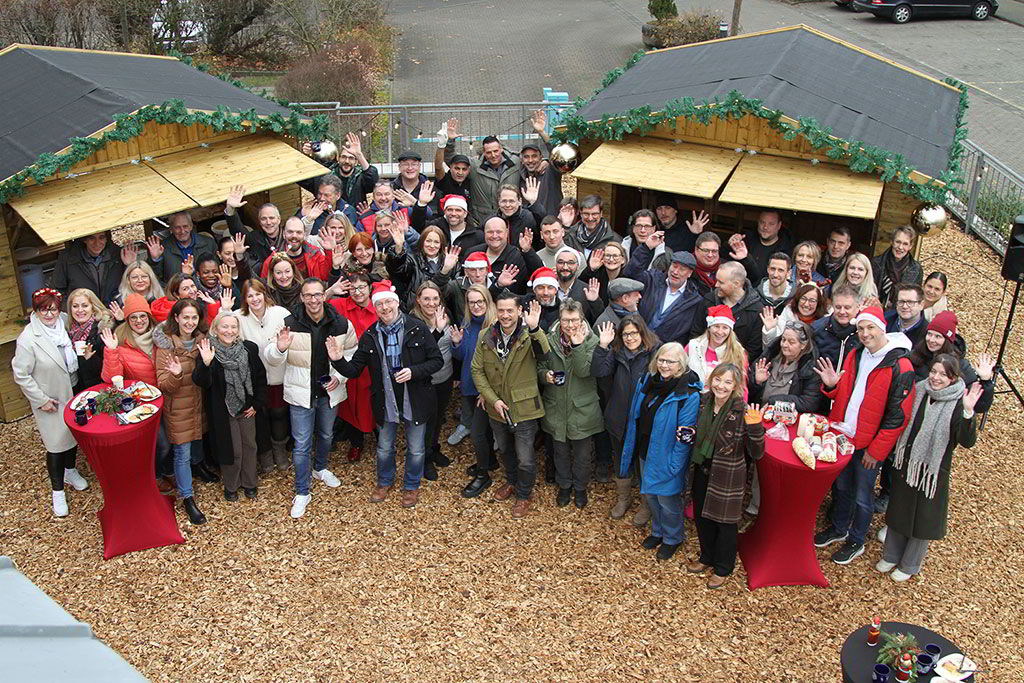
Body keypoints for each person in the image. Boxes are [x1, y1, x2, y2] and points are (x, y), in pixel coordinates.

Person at [813, 305, 915, 565]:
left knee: (862, 494)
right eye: (861, 328)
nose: (865, 333)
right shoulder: (856, 353)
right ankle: (839, 527)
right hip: (844, 435)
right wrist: (831, 387)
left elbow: (898, 417)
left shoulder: (900, 366)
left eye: (870, 327)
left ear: (883, 328)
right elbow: (849, 393)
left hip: (868, 445)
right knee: (842, 487)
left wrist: (876, 451)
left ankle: (857, 539)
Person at [327, 281, 443, 507]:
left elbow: (436, 360)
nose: (385, 308)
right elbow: (354, 370)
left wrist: (414, 371)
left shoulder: (417, 328)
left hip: (414, 398)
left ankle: (411, 485)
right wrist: (338, 360)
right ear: (375, 308)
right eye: (379, 304)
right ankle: (384, 481)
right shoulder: (370, 335)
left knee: (416, 448)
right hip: (386, 400)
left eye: (388, 302)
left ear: (397, 303)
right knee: (384, 447)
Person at [877, 355, 981, 581]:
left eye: (943, 374)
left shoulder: (957, 402)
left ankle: (909, 564)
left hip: (931, 469)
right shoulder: (920, 390)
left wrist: (968, 412)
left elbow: (967, 441)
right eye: (934, 371)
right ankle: (891, 555)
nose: (935, 378)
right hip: (907, 461)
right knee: (899, 508)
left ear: (953, 378)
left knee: (921, 518)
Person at [264, 278, 357, 519]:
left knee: (326, 435)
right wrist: (280, 348)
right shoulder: (289, 323)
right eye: (308, 295)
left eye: (317, 295)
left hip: (329, 391)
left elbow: (351, 352)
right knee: (302, 444)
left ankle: (320, 468)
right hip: (300, 393)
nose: (313, 300)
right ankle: (302, 491)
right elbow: (271, 356)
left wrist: (339, 377)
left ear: (324, 296)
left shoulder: (341, 323)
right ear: (302, 297)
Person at [620, 342, 702, 561]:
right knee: (651, 495)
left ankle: (673, 538)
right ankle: (658, 531)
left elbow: (685, 437)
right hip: (646, 449)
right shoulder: (649, 381)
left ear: (681, 364)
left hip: (668, 455)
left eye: (670, 362)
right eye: (661, 360)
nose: (664, 365)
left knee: (668, 501)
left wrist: (675, 465)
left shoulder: (688, 395)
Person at [12, 288, 88, 517]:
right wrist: (41, 399)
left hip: (72, 388)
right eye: (43, 310)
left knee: (72, 435)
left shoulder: (64, 321)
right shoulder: (28, 339)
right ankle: (57, 491)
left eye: (53, 309)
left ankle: (70, 471)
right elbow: (21, 374)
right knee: (55, 445)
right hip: (50, 398)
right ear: (36, 311)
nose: (49, 314)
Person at [470, 293, 547, 518]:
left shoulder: (529, 334)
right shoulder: (486, 335)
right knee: (505, 449)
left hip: (524, 407)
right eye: (501, 310)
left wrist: (535, 329)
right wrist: (492, 399)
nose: (505, 315)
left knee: (525, 457)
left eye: (510, 311)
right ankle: (512, 481)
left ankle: (524, 494)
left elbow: (545, 354)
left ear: (519, 311)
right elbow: (477, 370)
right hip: (497, 407)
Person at [688, 364, 765, 588]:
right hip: (702, 467)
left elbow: (757, 452)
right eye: (718, 379)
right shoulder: (704, 402)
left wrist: (756, 428)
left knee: (725, 523)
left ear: (735, 386)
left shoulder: (742, 411)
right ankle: (706, 557)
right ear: (711, 379)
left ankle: (723, 567)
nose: (721, 386)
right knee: (702, 517)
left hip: (727, 474)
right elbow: (698, 433)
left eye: (728, 382)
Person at [99, 294, 174, 491]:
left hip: (169, 395)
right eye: (133, 317)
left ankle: (168, 471)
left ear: (149, 317)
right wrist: (111, 351)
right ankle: (155, 475)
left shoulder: (162, 335)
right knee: (162, 443)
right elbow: (110, 378)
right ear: (127, 319)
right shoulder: (121, 342)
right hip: (146, 403)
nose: (139, 321)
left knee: (174, 439)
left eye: (142, 316)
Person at [592, 315, 661, 520]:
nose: (630, 338)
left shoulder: (655, 352)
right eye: (625, 334)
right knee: (621, 459)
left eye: (634, 333)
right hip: (619, 416)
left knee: (644, 463)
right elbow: (598, 371)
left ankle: (646, 505)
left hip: (644, 420)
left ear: (642, 333)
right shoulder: (616, 352)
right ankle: (624, 498)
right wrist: (602, 346)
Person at [194, 312, 268, 502]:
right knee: (233, 450)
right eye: (224, 326)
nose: (229, 331)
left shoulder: (248, 349)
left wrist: (257, 403)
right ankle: (231, 485)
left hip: (247, 408)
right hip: (224, 410)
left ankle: (250, 483)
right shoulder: (208, 350)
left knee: (250, 446)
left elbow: (260, 377)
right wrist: (206, 364)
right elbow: (201, 382)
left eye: (233, 327)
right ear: (215, 329)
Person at [538, 300, 603, 509]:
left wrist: (577, 345)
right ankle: (564, 485)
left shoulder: (592, 341)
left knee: (583, 455)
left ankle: (581, 487)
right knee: (560, 452)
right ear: (560, 319)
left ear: (582, 319)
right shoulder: (549, 339)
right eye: (566, 320)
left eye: (574, 320)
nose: (570, 325)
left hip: (582, 409)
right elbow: (539, 366)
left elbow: (584, 371)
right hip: (556, 405)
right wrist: (545, 376)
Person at [154, 298, 210, 525]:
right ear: (176, 318)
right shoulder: (166, 347)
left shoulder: (202, 342)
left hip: (198, 404)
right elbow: (163, 385)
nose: (190, 322)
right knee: (182, 453)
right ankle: (187, 497)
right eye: (185, 317)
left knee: (198, 442)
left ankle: (199, 469)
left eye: (194, 317)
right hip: (178, 409)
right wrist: (176, 375)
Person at [237, 279, 292, 474]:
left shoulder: (280, 313)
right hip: (254, 379)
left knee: (279, 413)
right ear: (244, 299)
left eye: (258, 294)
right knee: (259, 417)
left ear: (265, 294)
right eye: (249, 296)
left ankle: (279, 449)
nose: (255, 299)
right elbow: (220, 330)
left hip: (278, 374)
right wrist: (223, 310)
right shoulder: (238, 317)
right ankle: (265, 453)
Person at [453, 285, 499, 497]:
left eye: (480, 301)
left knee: (478, 432)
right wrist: (457, 343)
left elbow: (497, 364)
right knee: (483, 430)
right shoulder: (468, 324)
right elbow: (464, 356)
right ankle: (490, 461)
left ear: (488, 302)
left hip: (485, 390)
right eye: (472, 302)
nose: (476, 306)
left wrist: (486, 391)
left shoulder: (495, 327)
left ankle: (483, 474)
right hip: (469, 385)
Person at [328, 273, 377, 463]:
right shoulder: (340, 305)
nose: (357, 292)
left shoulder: (378, 306)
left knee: (374, 403)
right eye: (353, 288)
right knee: (350, 405)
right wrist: (331, 291)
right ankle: (356, 443)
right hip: (348, 365)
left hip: (373, 367)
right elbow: (314, 304)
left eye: (362, 287)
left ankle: (382, 440)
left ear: (369, 288)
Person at [409, 281, 455, 481]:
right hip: (424, 382)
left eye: (435, 298)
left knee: (438, 417)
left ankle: (434, 448)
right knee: (427, 420)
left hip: (445, 377)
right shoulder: (412, 321)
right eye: (426, 298)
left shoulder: (445, 315)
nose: (431, 303)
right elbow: (422, 354)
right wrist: (437, 330)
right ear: (418, 300)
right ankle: (425, 458)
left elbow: (450, 345)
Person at [906, 310, 994, 414]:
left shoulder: (961, 366)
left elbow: (980, 406)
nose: (931, 340)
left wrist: (985, 381)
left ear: (947, 340)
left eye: (938, 336)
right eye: (929, 334)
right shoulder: (915, 356)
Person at [624, 232, 703, 345]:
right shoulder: (653, 279)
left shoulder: (694, 301)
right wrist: (646, 248)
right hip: (635, 341)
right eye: (674, 266)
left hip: (664, 350)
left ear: (690, 273)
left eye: (682, 269)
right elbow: (631, 273)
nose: (675, 272)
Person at [443, 120, 522, 227]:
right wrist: (450, 142)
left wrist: (543, 163)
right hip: (483, 221)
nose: (493, 155)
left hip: (512, 218)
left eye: (495, 151)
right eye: (489, 152)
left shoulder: (516, 162)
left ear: (501, 149)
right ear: (484, 153)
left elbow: (533, 161)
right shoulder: (475, 166)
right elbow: (451, 160)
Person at [691, 261, 765, 362]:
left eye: (721, 282)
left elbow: (753, 350)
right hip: (702, 361)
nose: (716, 285)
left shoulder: (756, 310)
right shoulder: (709, 300)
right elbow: (696, 333)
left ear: (736, 284)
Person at [750, 321, 822, 413]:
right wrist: (757, 382)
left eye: (791, 342)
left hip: (787, 417)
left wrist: (774, 401)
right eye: (783, 340)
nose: (784, 345)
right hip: (757, 413)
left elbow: (809, 403)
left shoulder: (811, 367)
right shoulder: (769, 357)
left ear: (803, 345)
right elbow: (745, 390)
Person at [386, 223, 461, 309]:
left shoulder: (452, 263)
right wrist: (399, 248)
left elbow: (451, 294)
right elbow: (397, 270)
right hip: (413, 309)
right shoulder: (412, 260)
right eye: (428, 241)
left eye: (436, 242)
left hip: (441, 310)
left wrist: (445, 270)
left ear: (441, 245)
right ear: (422, 242)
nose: (432, 245)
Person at [301, 132, 379, 208]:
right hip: (328, 215)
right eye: (344, 157)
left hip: (354, 215)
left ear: (356, 162)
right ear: (338, 158)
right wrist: (305, 156)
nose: (347, 161)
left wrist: (359, 154)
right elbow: (302, 177)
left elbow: (372, 182)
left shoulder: (360, 177)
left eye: (351, 158)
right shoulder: (326, 175)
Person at [53, 231, 133, 304]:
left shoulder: (117, 256)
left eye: (101, 238)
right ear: (85, 240)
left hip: (114, 310)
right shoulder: (69, 259)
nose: (97, 243)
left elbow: (131, 285)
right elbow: (57, 291)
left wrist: (129, 265)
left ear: (106, 239)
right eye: (92, 238)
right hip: (83, 312)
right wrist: (73, 309)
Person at [686, 305, 749, 391]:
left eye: (725, 327)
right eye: (716, 326)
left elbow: (741, 387)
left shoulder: (738, 352)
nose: (720, 332)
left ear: (730, 331)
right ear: (709, 328)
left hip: (721, 397)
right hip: (691, 395)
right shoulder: (693, 346)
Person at [223, 188, 286, 274]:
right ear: (259, 222)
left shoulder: (288, 235)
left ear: (279, 219)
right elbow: (237, 231)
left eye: (271, 218)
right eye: (263, 219)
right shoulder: (255, 238)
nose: (268, 222)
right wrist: (230, 210)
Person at [725, 209, 794, 284]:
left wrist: (746, 259)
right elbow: (725, 260)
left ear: (779, 225)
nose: (765, 227)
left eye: (771, 224)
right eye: (762, 222)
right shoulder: (746, 241)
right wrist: (730, 244)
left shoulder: (786, 250)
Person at [468, 216, 533, 295]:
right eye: (490, 232)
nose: (494, 236)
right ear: (484, 233)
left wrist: (528, 251)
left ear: (506, 232)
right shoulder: (472, 253)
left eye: (499, 232)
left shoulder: (516, 257)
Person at [146, 212, 218, 283]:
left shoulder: (208, 243)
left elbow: (218, 271)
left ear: (191, 226)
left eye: (185, 226)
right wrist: (155, 260)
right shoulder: (162, 248)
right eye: (177, 227)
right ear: (171, 229)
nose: (182, 231)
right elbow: (154, 278)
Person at [66, 288, 112, 392]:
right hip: (81, 389)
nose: (80, 310)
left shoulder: (103, 331)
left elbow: (111, 368)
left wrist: (90, 358)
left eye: (85, 306)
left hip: (101, 390)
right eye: (75, 306)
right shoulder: (70, 331)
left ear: (93, 308)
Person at [260, 217, 332, 282]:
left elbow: (326, 277)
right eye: (290, 232)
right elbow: (264, 288)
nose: (294, 236)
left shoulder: (315, 254)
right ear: (284, 234)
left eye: (299, 232)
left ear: (304, 235)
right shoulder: (271, 261)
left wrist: (329, 251)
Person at [760, 282, 828, 347]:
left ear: (818, 303)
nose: (806, 304)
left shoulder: (825, 322)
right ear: (798, 299)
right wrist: (770, 330)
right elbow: (770, 348)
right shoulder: (788, 314)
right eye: (803, 298)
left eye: (812, 301)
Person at [872, 226, 923, 309]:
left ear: (910, 246)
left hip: (902, 312)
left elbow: (916, 298)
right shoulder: (876, 263)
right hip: (875, 309)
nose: (900, 247)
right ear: (892, 242)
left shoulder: (916, 269)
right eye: (898, 242)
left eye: (905, 244)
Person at [812, 285, 862, 368]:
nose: (842, 312)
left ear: (858, 307)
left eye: (847, 307)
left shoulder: (865, 332)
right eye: (838, 307)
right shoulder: (816, 329)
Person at [492, 184, 538, 248]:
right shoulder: (492, 220)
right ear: (498, 202)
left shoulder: (528, 218)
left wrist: (533, 203)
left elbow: (543, 226)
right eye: (504, 201)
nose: (507, 205)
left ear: (519, 201)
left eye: (511, 201)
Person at [691, 232, 722, 297]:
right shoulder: (686, 268)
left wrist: (743, 259)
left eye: (714, 251)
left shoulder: (727, 268)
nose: (710, 255)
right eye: (706, 250)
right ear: (696, 250)